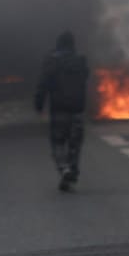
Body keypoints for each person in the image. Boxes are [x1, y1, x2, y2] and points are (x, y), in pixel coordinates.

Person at [34, 31, 90, 190]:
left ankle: (64, 168)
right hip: (78, 109)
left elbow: (43, 84)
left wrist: (39, 103)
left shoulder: (52, 62)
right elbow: (86, 78)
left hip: (59, 109)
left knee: (58, 142)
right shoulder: (81, 61)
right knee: (75, 144)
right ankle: (72, 169)